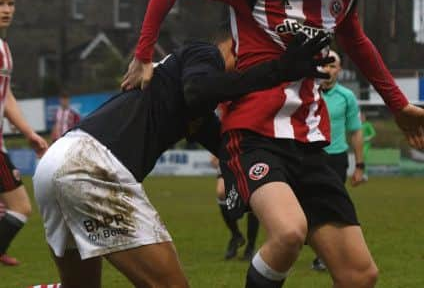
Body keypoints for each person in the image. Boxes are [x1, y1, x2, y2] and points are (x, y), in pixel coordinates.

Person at [122, 0, 424, 288]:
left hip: (311, 143)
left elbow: (361, 47)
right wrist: (144, 54)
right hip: (254, 137)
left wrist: (398, 106)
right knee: (289, 233)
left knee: (361, 275)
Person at [32, 27, 331, 288]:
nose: (249, 69)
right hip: (90, 166)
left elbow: (229, 149)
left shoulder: (189, 95)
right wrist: (277, 70)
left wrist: (284, 196)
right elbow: (198, 91)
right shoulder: (205, 54)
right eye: (250, 59)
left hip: (59, 160)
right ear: (233, 44)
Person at [0, 0, 48, 266]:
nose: (6, 10)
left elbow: (6, 97)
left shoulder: (4, 48)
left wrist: (28, 131)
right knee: (20, 208)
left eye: (10, 4)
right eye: (0, 3)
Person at [311, 49, 365, 271]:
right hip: (310, 158)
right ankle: (318, 250)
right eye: (324, 65)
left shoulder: (347, 97)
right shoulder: (307, 94)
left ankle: (325, 255)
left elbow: (355, 131)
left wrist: (360, 165)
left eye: (333, 66)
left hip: (336, 159)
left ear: (339, 70)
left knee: (330, 208)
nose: (328, 70)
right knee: (310, 208)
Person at [211, 154, 259, 260]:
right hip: (229, 155)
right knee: (221, 192)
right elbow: (213, 162)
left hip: (252, 152)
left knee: (253, 196)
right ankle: (236, 235)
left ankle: (250, 247)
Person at [361, 111, 376, 179]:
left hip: (366, 144)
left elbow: (373, 133)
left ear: (365, 118)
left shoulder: (368, 124)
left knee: (364, 157)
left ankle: (365, 174)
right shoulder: (358, 125)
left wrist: (367, 138)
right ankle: (360, 173)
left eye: (362, 117)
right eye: (360, 117)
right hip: (359, 144)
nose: (361, 118)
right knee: (360, 158)